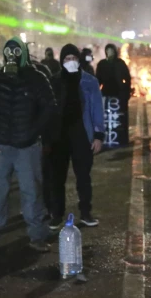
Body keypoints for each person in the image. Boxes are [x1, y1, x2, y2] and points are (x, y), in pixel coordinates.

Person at [0, 36, 57, 257]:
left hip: (27, 147)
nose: (12, 56)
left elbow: (50, 108)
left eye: (16, 52)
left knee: (32, 193)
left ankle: (37, 236)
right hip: (0, 147)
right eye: (8, 52)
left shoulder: (37, 78)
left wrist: (35, 132)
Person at [48, 44, 104, 230]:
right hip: (59, 136)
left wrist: (98, 135)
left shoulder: (89, 81)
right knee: (57, 177)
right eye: (67, 59)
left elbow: (97, 108)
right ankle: (57, 214)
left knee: (83, 177)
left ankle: (86, 213)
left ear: (78, 60)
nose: (70, 62)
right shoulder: (54, 81)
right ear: (61, 61)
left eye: (73, 58)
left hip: (82, 133)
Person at [96, 43, 132, 146]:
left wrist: (127, 90)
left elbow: (127, 78)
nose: (110, 52)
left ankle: (122, 139)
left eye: (112, 50)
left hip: (119, 94)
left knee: (120, 118)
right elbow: (98, 79)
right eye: (108, 50)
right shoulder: (102, 64)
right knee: (107, 118)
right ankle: (107, 139)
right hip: (107, 94)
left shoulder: (120, 63)